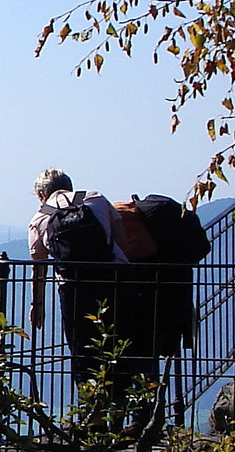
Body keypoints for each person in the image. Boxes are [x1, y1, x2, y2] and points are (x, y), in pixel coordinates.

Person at [26, 169, 150, 401]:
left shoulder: (39, 220)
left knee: (83, 353)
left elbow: (38, 268)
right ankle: (122, 412)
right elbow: (122, 242)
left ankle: (92, 416)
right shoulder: (95, 199)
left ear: (42, 194)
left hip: (74, 291)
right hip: (116, 280)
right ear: (69, 185)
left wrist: (37, 304)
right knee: (120, 346)